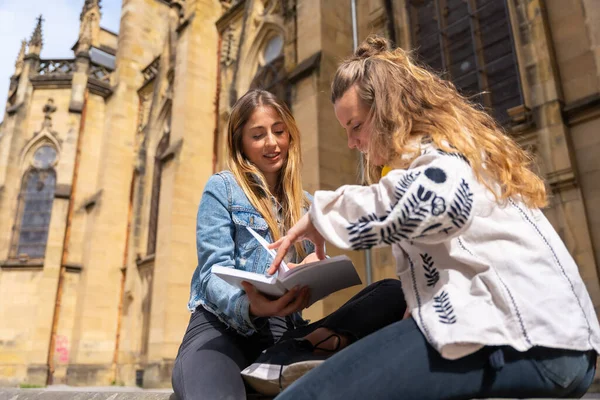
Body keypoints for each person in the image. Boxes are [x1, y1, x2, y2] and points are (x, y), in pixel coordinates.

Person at [266, 36, 600, 400]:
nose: (351, 143)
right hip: (548, 342)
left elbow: (435, 200)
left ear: (388, 111)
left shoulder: (441, 157)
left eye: (356, 126)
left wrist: (323, 214)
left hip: (535, 341)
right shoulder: (441, 155)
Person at [171, 89, 407, 400]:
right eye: (257, 135)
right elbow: (212, 272)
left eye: (279, 131)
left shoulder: (307, 206)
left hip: (285, 335)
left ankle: (280, 359)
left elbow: (301, 273)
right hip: (222, 330)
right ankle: (278, 362)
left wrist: (311, 270)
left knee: (391, 292)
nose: (272, 142)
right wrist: (251, 304)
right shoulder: (222, 188)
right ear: (241, 143)